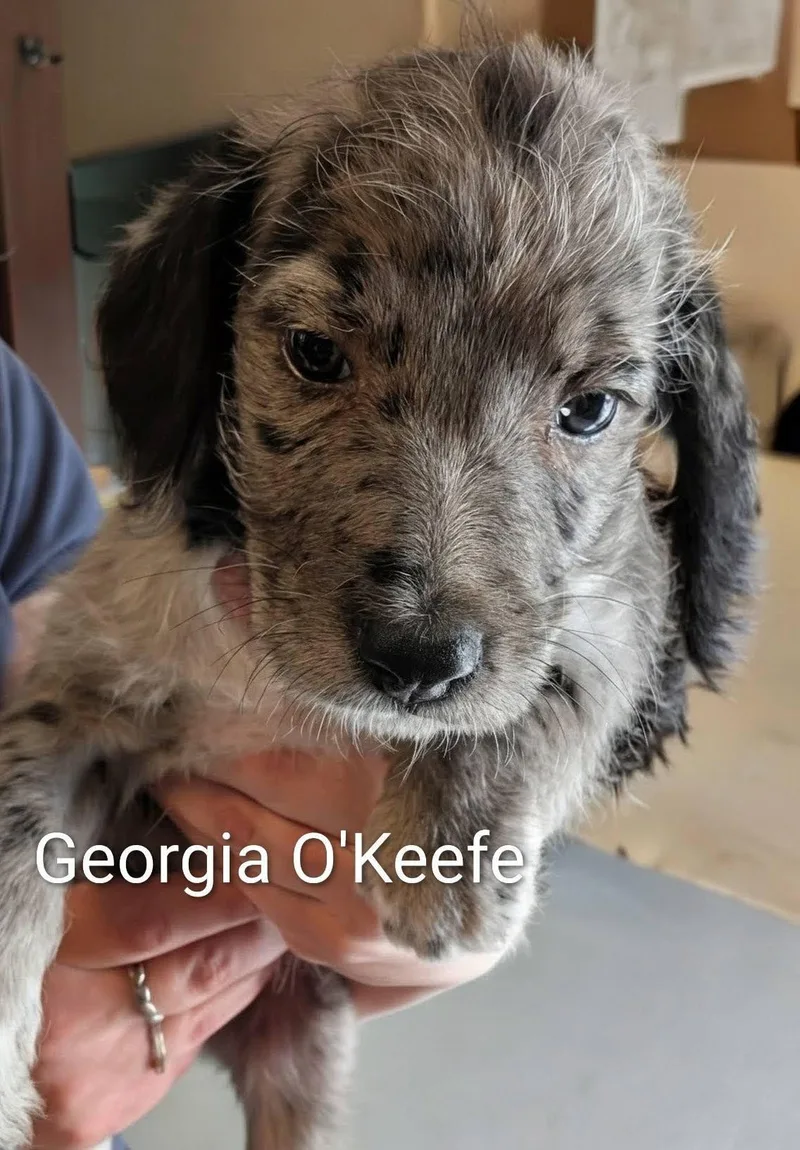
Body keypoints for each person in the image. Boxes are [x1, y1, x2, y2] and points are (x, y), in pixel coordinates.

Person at [0, 338, 501, 1150]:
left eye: (583, 410)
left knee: (297, 1063)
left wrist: (455, 865)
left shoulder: (9, 412)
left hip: (205, 991)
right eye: (319, 358)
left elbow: (62, 649)